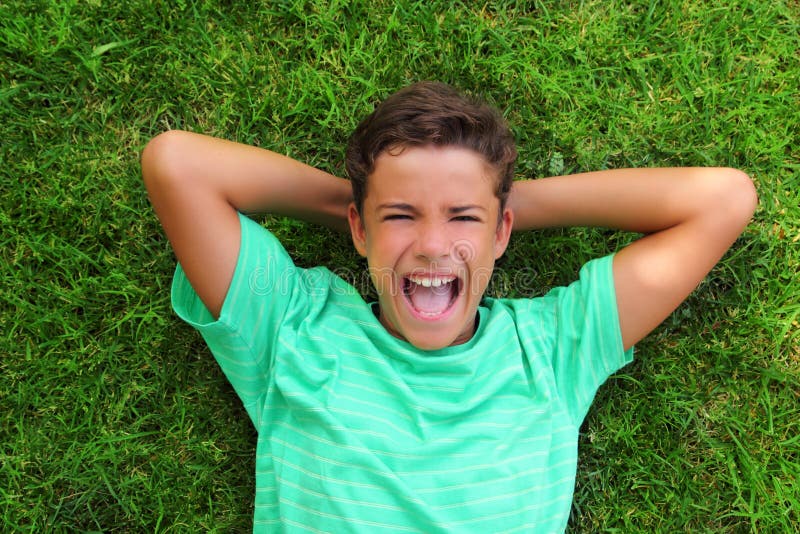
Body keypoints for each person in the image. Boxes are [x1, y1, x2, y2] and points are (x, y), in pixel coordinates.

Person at [142, 81, 757, 532]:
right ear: (358, 230)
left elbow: (723, 199)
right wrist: (372, 206)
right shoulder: (295, 328)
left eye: (461, 218)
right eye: (401, 217)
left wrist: (493, 210)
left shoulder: (549, 351)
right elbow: (178, 163)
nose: (434, 245)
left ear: (501, 232)